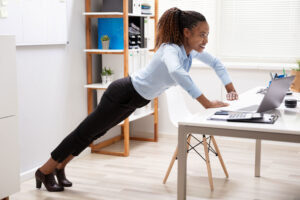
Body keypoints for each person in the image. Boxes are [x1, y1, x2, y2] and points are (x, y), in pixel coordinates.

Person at [35, 7, 238, 192]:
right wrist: (206, 103)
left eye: (207, 35)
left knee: (96, 132)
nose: (206, 40)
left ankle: (60, 167)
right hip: (123, 93)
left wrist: (229, 88)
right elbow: (177, 73)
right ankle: (44, 170)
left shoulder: (189, 53)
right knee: (84, 132)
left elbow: (216, 62)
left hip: (135, 99)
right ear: (187, 32)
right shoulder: (170, 50)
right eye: (202, 35)